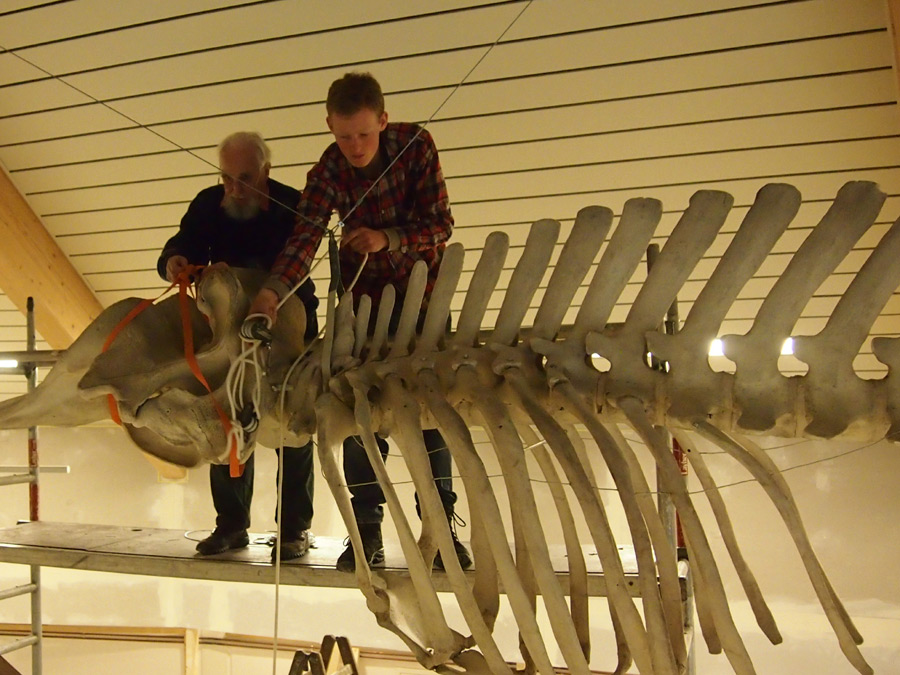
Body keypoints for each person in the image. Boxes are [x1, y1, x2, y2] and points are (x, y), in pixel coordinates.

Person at [248, 72, 472, 572]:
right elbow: (304, 239)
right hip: (360, 308)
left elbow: (441, 225)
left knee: (430, 419)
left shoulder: (416, 147)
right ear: (329, 125)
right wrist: (272, 293)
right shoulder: (328, 170)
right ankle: (366, 532)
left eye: (365, 134)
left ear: (383, 120)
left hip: (422, 304)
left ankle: (442, 532)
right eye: (345, 135)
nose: (355, 146)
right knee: (355, 416)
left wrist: (387, 239)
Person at [157, 131, 319, 562]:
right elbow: (184, 242)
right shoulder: (208, 204)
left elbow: (299, 261)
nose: (233, 188)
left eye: (244, 178)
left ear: (266, 171)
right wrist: (174, 260)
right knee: (224, 417)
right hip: (227, 330)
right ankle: (231, 525)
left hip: (288, 325)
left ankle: (294, 529)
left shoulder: (293, 205)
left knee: (291, 425)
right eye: (226, 178)